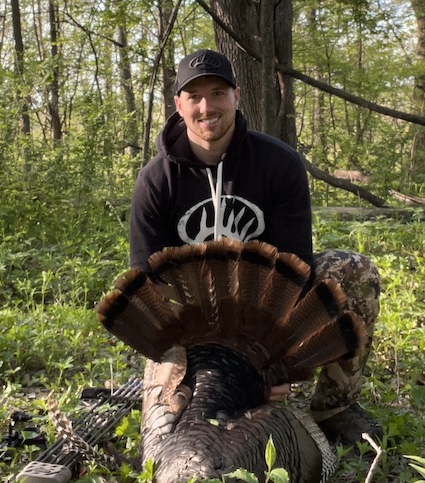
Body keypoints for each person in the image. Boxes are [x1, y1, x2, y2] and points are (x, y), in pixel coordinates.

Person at [129, 48, 381, 446]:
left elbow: (295, 268)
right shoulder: (156, 180)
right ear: (178, 105)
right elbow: (149, 289)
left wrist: (273, 362)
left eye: (217, 93)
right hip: (190, 325)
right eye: (195, 97)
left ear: (237, 96)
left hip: (263, 318)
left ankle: (334, 406)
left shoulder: (279, 163)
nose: (206, 107)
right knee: (165, 439)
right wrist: (203, 368)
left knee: (353, 269)